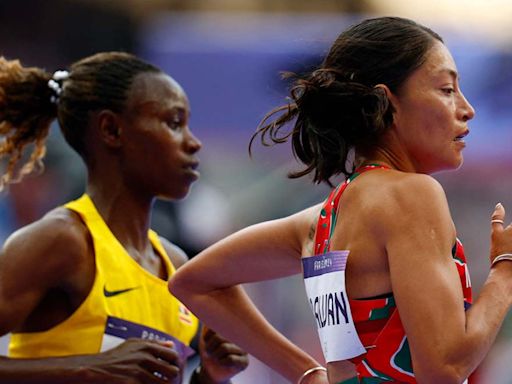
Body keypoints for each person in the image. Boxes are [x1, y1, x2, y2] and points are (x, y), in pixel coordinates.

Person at [169, 16, 512, 384]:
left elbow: (193, 282)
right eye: (447, 89)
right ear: (387, 101)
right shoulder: (412, 194)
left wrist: (305, 373)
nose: (466, 108)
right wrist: (504, 272)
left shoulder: (319, 222)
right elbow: (443, 369)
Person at [0, 51, 250, 383]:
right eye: (174, 123)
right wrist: (88, 368)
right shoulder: (62, 242)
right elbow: (102, 371)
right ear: (111, 130)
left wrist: (211, 376)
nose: (193, 143)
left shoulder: (175, 264)